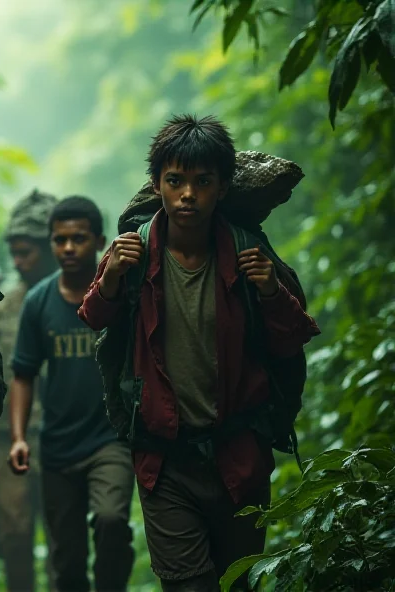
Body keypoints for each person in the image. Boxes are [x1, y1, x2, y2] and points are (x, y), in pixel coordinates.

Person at [78, 114, 321, 591]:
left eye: (202, 182)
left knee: (237, 583)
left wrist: (271, 293)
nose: (188, 194)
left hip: (239, 457)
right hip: (164, 463)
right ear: (158, 185)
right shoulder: (134, 252)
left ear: (223, 188)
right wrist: (109, 280)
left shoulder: (251, 255)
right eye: (175, 181)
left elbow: (291, 338)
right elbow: (94, 316)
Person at [9, 196, 136, 592]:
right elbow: (24, 375)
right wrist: (18, 438)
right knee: (66, 561)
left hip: (110, 440)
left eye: (78, 239)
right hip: (58, 446)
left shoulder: (122, 295)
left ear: (99, 241)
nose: (67, 248)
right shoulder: (38, 302)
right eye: (59, 239)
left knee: (112, 520)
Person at [0, 189, 58, 592]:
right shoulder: (1, 306)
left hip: (65, 439)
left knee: (66, 540)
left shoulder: (82, 305)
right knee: (11, 536)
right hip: (7, 441)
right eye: (16, 252)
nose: (21, 261)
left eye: (29, 251)